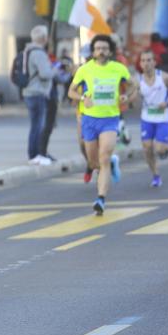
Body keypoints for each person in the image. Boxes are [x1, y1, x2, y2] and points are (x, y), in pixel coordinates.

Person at [68, 34, 135, 215]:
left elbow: (132, 86)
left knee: (103, 157)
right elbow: (71, 92)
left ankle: (101, 199)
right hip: (89, 119)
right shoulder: (84, 70)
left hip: (110, 119)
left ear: (110, 51)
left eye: (105, 48)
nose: (101, 52)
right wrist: (83, 98)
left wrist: (126, 97)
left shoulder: (118, 68)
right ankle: (109, 164)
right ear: (93, 51)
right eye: (98, 49)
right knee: (93, 160)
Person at [128, 49, 168, 187]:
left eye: (149, 60)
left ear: (154, 62)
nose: (146, 63)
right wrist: (129, 99)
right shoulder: (137, 80)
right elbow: (132, 97)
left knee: (159, 149)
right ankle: (156, 175)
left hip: (163, 118)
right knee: (147, 148)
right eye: (143, 61)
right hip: (147, 118)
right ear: (140, 63)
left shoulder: (164, 77)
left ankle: (164, 150)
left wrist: (167, 103)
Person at [22, 26, 55, 165]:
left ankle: (34, 154)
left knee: (35, 125)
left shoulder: (27, 51)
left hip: (29, 92)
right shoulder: (39, 53)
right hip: (37, 92)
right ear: (44, 38)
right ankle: (35, 155)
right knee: (38, 125)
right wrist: (55, 70)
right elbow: (45, 74)